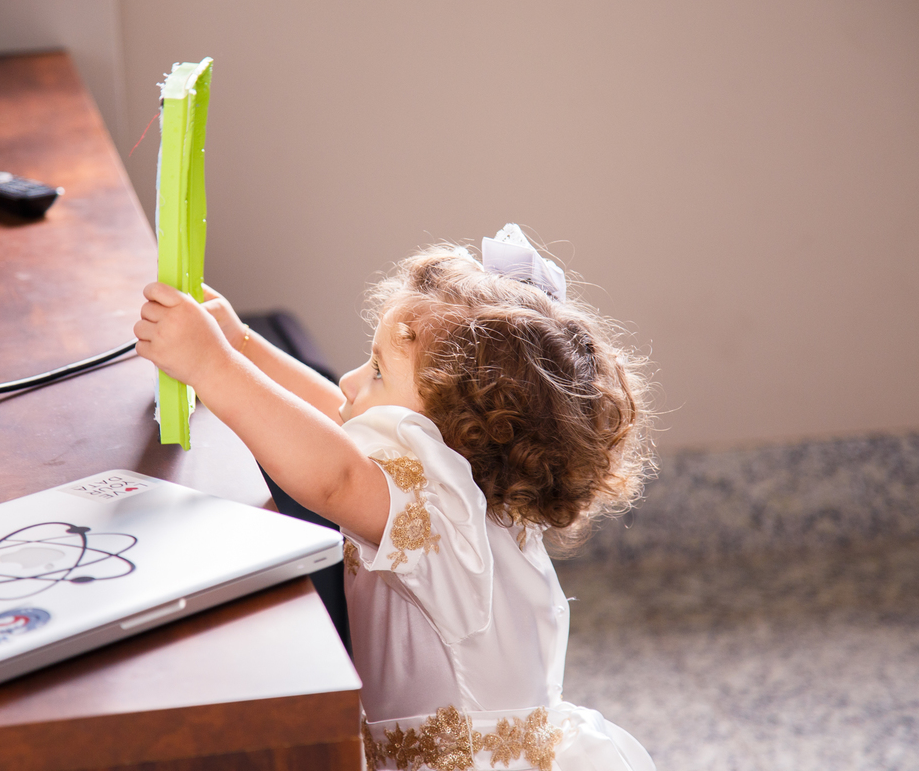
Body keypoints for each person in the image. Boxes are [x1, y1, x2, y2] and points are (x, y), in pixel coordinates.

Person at [134, 226, 656, 771]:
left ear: (458, 434)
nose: (350, 379)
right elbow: (342, 418)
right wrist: (238, 341)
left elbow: (334, 473)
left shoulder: (437, 510)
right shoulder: (469, 483)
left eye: (379, 370)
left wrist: (211, 366)